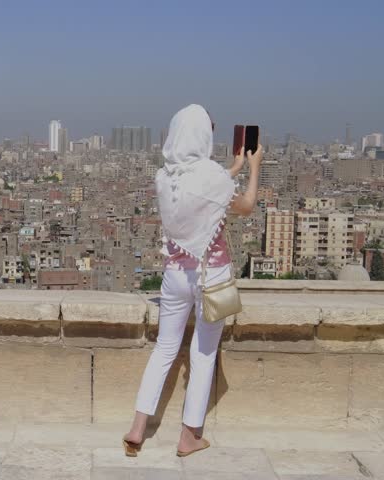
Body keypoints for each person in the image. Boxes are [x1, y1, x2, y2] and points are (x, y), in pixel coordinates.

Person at [122, 104, 262, 457]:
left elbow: (200, 191)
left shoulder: (164, 177)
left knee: (164, 349)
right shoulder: (211, 176)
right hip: (210, 275)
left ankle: (138, 428)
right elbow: (243, 205)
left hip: (174, 275)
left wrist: (234, 168)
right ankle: (189, 437)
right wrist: (254, 169)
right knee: (203, 353)